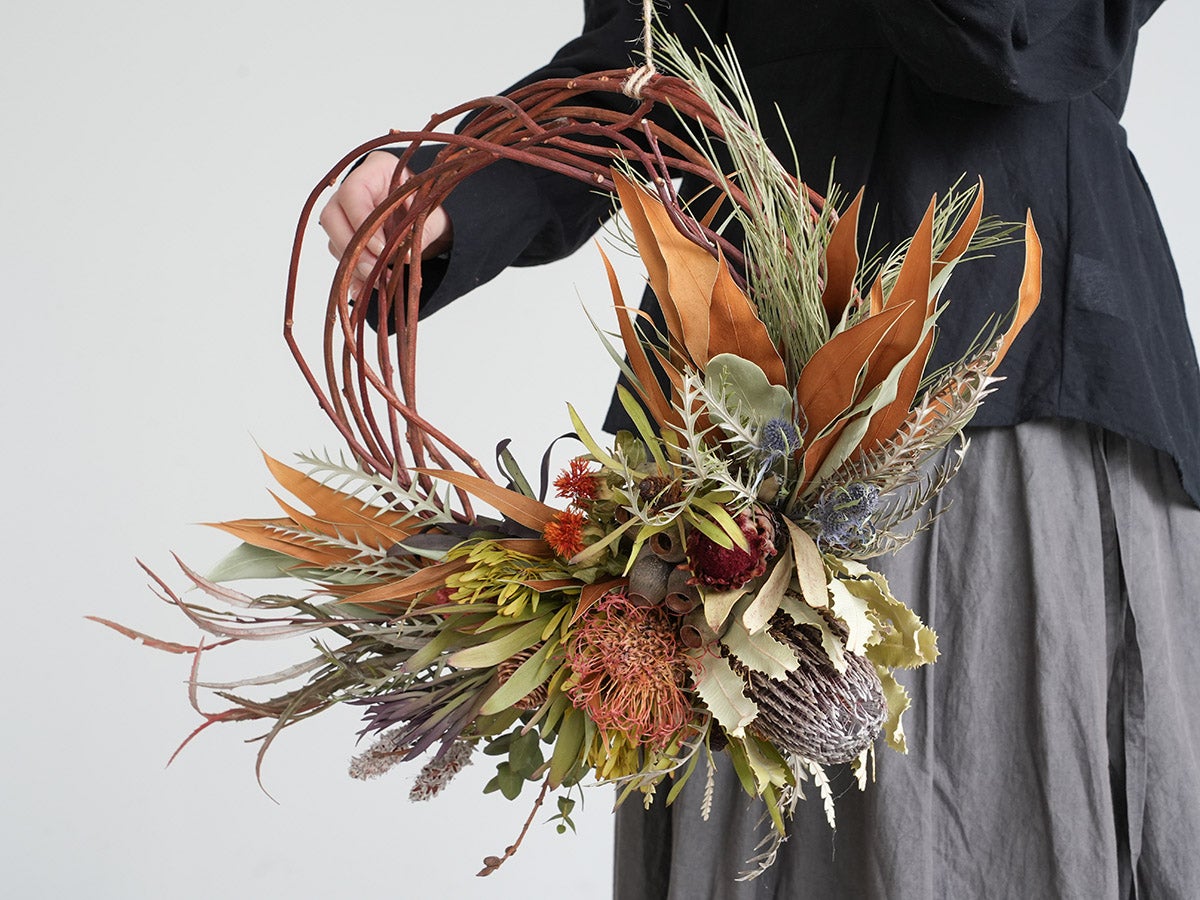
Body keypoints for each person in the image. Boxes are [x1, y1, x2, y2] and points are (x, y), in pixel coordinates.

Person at [321, 2, 1200, 897]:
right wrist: (452, 193)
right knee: (747, 833)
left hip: (1003, 377)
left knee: (1002, 821)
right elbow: (646, 59)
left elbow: (1012, 38)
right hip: (734, 399)